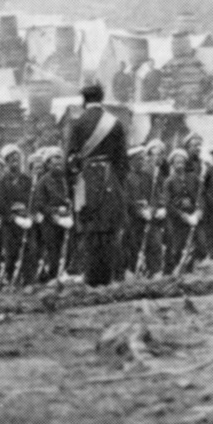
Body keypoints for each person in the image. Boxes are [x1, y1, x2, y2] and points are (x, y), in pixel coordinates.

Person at [61, 83, 130, 286]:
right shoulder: (115, 123)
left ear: (84, 101)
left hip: (86, 182)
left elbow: (69, 160)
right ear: (102, 97)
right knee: (109, 231)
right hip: (110, 181)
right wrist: (117, 186)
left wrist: (70, 187)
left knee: (89, 231)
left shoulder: (78, 123)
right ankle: (109, 277)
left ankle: (91, 278)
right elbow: (122, 161)